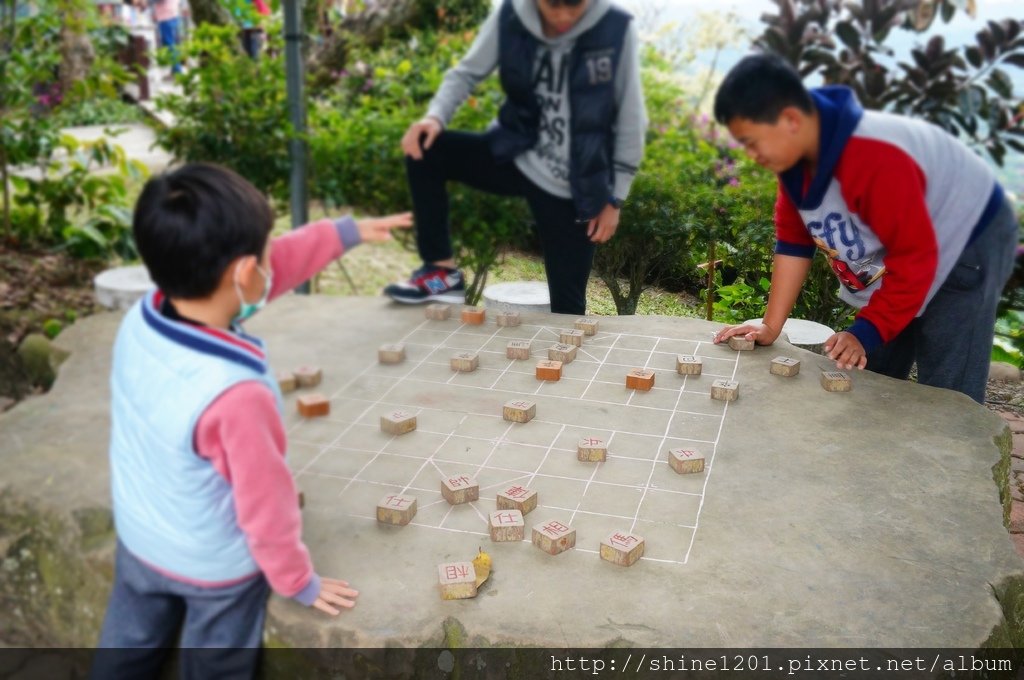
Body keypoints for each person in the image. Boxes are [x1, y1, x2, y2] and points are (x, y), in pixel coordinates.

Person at [91, 163, 411, 677]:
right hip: (213, 571)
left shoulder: (143, 318)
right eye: (265, 251)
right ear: (242, 274)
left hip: (141, 541)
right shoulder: (234, 394)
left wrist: (341, 234)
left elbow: (268, 269)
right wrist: (297, 581)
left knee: (125, 651)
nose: (273, 260)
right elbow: (266, 507)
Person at [710, 52, 1017, 404]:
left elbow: (915, 258)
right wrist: (770, 326)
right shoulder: (794, 164)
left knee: (948, 390)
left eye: (751, 141)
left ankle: (961, 453)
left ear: (791, 119)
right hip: (905, 245)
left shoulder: (872, 156)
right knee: (871, 370)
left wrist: (867, 330)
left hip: (967, 236)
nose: (751, 154)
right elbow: (795, 242)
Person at [383, 0, 646, 314]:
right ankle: (441, 274)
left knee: (568, 312)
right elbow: (466, 73)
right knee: (426, 151)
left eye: (574, 7)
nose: (563, 17)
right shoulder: (511, 16)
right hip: (515, 153)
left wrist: (615, 198)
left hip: (574, 185)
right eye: (553, 6)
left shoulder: (616, 28)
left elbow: (632, 116)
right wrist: (435, 117)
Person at [152, 0, 183, 77]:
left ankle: (177, 71)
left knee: (170, 45)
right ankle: (175, 70)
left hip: (166, 16)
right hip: (172, 14)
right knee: (172, 44)